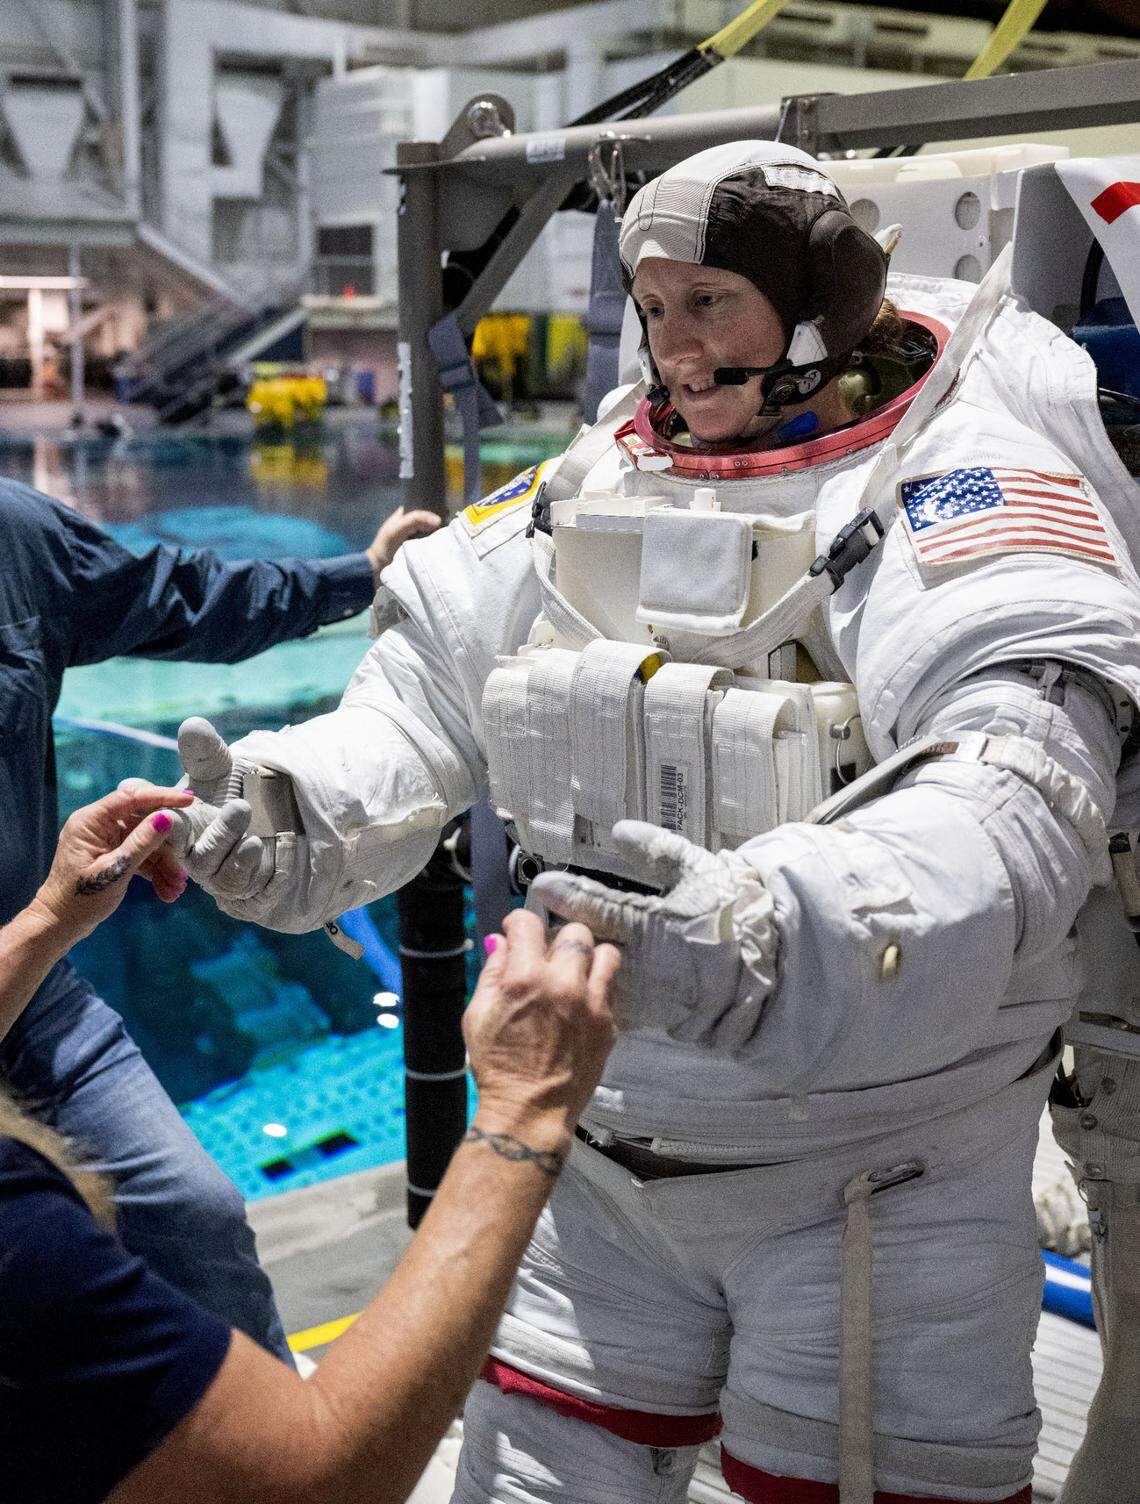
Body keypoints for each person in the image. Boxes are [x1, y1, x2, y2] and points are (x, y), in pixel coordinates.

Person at [167, 140, 1140, 1502]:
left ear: (813, 306)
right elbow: (422, 705)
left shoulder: (957, 471)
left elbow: (1015, 790)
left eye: (713, 304)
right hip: (599, 1159)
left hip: (874, 1174)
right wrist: (289, 811)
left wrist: (768, 933)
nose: (676, 347)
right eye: (657, 305)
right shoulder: (593, 480)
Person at [0, 783, 618, 1504]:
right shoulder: (19, 1233)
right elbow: (317, 1482)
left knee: (196, 1213)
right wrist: (525, 1108)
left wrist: (45, 916)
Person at [0, 476, 439, 1361]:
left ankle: (271, 1453)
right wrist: (53, 911)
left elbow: (185, 594)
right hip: (38, 939)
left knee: (194, 1216)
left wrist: (359, 574)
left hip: (38, 999)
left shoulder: (12, 537)